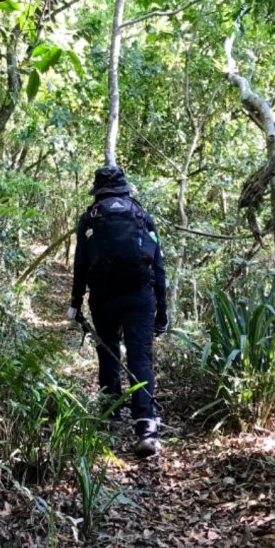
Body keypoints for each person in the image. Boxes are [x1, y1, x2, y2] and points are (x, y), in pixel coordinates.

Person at [67, 165, 169, 458]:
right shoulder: (141, 215)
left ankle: (110, 416)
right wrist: (162, 311)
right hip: (140, 297)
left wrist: (75, 303)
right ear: (125, 188)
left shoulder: (91, 217)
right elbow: (157, 266)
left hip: (103, 298)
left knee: (108, 350)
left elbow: (80, 265)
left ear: (98, 189)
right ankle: (146, 427)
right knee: (140, 357)